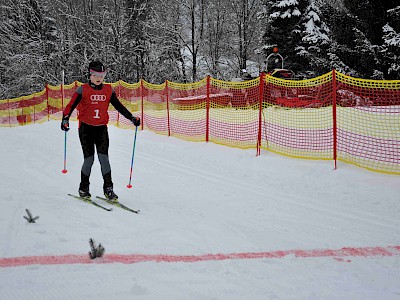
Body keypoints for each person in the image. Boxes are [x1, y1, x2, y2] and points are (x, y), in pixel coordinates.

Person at [61, 60, 140, 201]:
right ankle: (83, 188)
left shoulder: (108, 90)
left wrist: (131, 118)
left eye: (102, 75)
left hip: (101, 129)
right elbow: (71, 105)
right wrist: (65, 118)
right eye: (96, 75)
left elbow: (119, 106)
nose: (99, 78)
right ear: (90, 75)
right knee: (89, 160)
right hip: (86, 129)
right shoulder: (82, 89)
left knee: (104, 159)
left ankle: (108, 189)